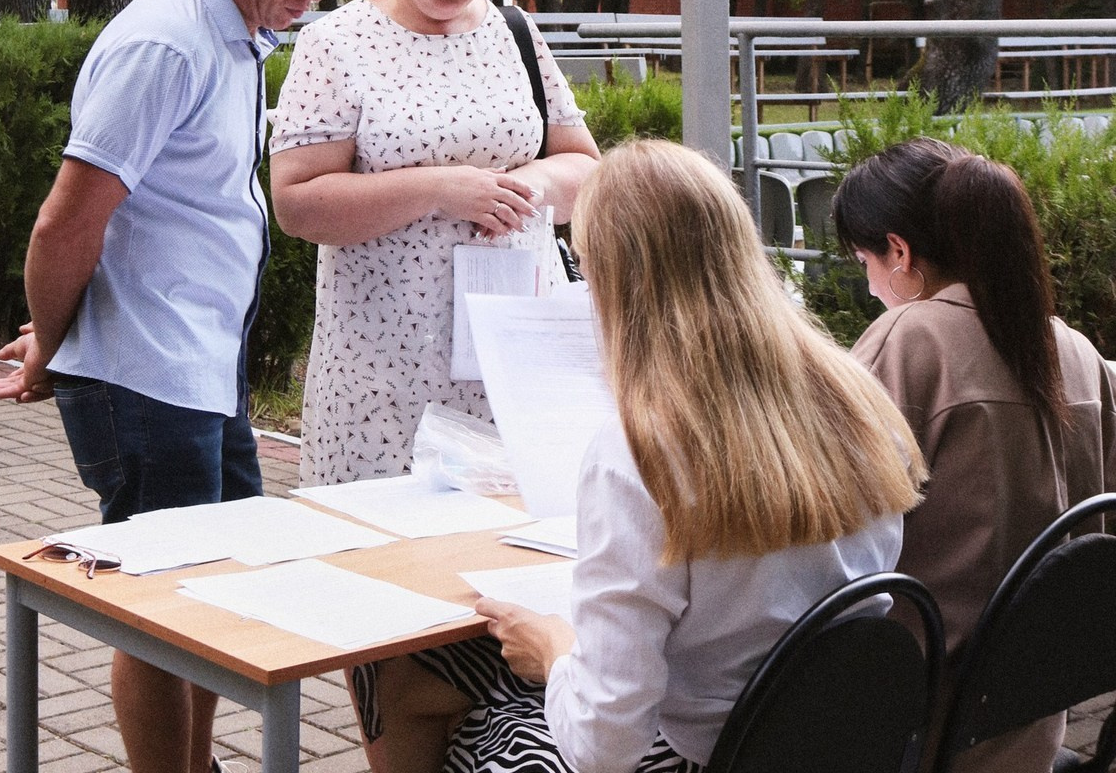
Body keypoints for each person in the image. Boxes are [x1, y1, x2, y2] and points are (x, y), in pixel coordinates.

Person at [359, 139, 925, 773]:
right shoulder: (858, 399)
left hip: (705, 750)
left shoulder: (641, 451)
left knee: (446, 707)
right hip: (830, 737)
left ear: (616, 281)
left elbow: (604, 747)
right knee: (418, 675)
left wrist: (555, 650)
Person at [0, 0, 346, 773]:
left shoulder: (236, 36)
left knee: (213, 595)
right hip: (151, 377)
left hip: (198, 370)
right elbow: (68, 220)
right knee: (162, 608)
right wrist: (53, 344)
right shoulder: (165, 45)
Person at [268, 0, 601, 485]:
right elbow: (296, 203)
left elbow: (588, 170)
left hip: (512, 363)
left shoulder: (515, 32)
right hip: (383, 372)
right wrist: (438, 189)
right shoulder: (336, 43)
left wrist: (526, 187)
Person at [833, 136, 1116, 772]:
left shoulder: (908, 341)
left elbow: (824, 533)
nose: (871, 287)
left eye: (865, 262)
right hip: (1029, 722)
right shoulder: (1073, 348)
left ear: (899, 251)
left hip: (916, 726)